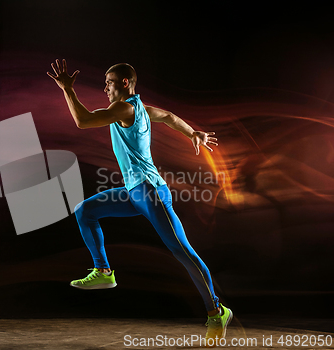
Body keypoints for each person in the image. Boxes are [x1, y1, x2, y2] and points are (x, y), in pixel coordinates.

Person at [47, 59, 233, 343]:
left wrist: (68, 90)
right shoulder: (142, 108)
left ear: (124, 83)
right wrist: (192, 132)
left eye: (109, 83)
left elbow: (83, 121)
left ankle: (216, 311)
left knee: (183, 253)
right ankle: (104, 270)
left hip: (151, 193)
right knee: (85, 210)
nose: (105, 88)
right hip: (134, 193)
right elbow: (170, 117)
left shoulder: (123, 108)